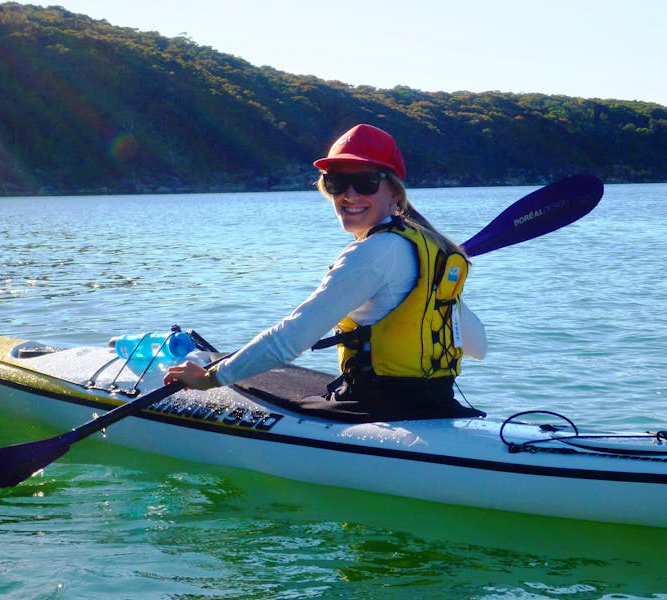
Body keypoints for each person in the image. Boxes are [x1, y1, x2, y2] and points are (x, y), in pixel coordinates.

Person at [165, 123, 486, 422]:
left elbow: (290, 339)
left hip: (378, 408)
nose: (350, 194)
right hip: (436, 404)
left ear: (395, 192)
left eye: (365, 182)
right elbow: (478, 347)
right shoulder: (430, 250)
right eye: (336, 183)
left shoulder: (373, 252)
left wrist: (210, 378)